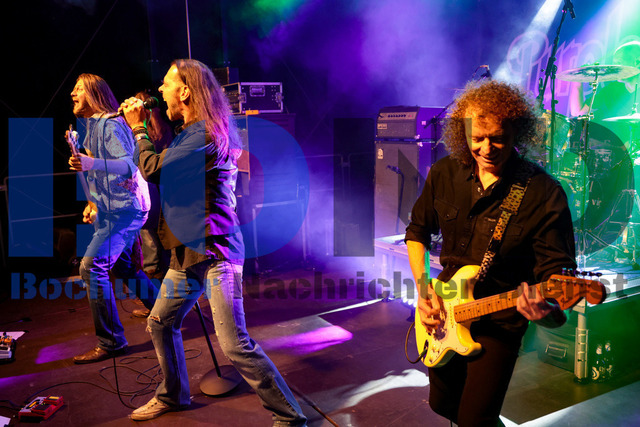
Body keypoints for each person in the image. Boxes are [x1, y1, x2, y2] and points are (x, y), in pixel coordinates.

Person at [119, 59, 307, 425]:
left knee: (235, 344)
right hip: (188, 252)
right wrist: (145, 125)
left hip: (217, 252)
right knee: (160, 322)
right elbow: (163, 160)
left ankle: (290, 417)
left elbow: (153, 168)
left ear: (186, 90)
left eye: (167, 83)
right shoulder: (191, 132)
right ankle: (173, 395)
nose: (161, 90)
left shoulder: (204, 133)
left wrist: (139, 128)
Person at [405, 80, 576, 426]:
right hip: (446, 308)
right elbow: (417, 232)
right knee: (442, 404)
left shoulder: (543, 193)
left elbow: (557, 272)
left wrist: (545, 309)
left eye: (498, 138)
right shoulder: (444, 172)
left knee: (475, 418)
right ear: (462, 133)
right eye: (477, 138)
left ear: (517, 132)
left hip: (500, 319)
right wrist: (424, 290)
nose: (486, 148)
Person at [67, 73, 158, 364]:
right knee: (126, 268)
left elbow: (130, 165)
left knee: (92, 267)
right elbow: (99, 174)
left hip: (126, 209)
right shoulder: (91, 127)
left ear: (94, 93)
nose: (72, 93)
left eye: (79, 89)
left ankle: (112, 342)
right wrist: (93, 202)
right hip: (114, 208)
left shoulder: (110, 124)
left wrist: (90, 161)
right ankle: (166, 313)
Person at [130, 90, 173, 319]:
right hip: (158, 194)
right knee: (158, 248)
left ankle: (158, 306)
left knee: (152, 249)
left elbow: (146, 165)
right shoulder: (164, 131)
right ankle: (160, 302)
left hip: (152, 194)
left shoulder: (147, 135)